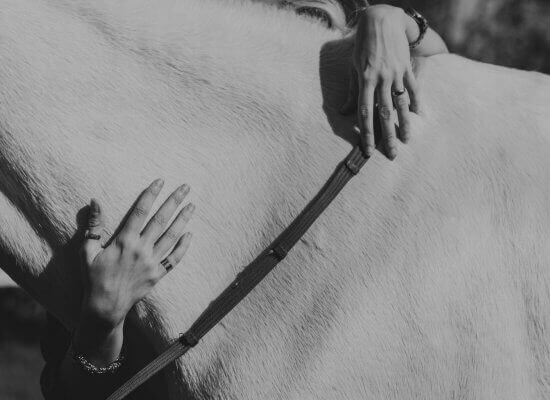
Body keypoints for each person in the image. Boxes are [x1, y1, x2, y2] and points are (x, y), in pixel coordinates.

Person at [40, 2, 449, 399]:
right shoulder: (140, 200)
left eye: (312, 33)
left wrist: (394, 22)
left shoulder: (358, 202)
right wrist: (102, 319)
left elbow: (462, 110)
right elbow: (72, 393)